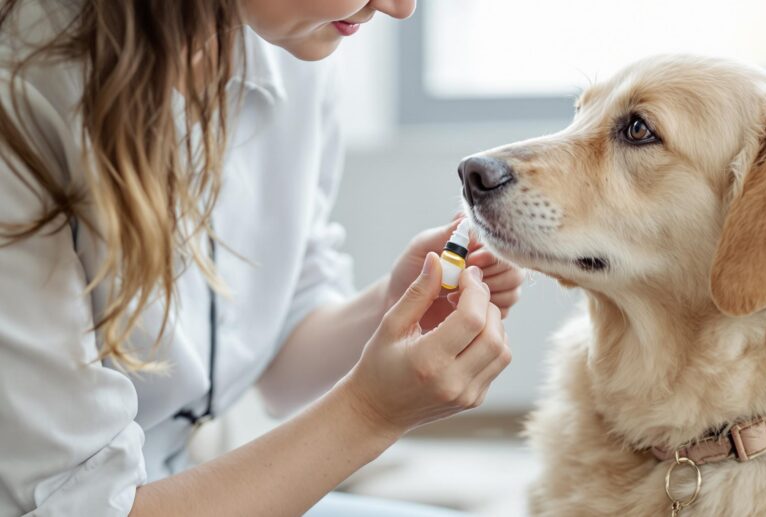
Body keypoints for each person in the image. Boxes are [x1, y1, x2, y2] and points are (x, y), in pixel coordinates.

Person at [0, 0, 525, 515]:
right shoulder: (21, 104)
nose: (401, 8)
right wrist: (371, 413)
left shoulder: (290, 47)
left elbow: (279, 365)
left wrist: (393, 304)